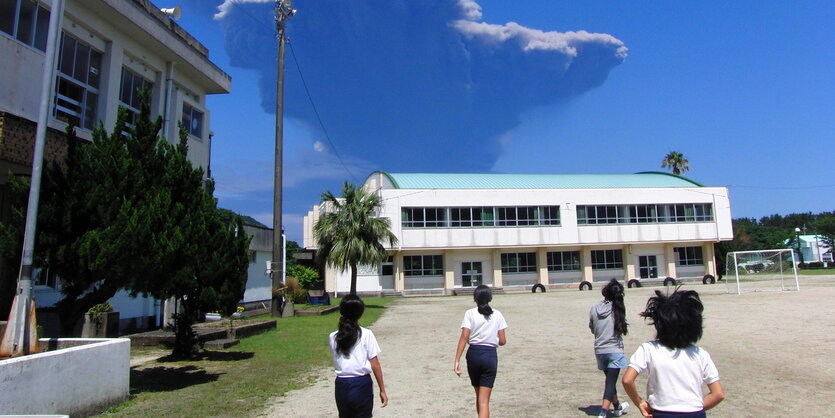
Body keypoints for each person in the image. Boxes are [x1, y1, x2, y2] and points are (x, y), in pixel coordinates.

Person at [622, 289, 725, 418]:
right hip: (695, 413)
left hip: (661, 413)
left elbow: (627, 380)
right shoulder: (700, 354)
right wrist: (692, 407)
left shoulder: (648, 349)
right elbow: (718, 394)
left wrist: (640, 402)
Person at [329, 294, 388, 417]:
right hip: (361, 384)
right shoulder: (366, 334)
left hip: (342, 385)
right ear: (360, 313)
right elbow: (375, 364)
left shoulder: (333, 337)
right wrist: (382, 390)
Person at [454, 285, 508, 418]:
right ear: (490, 298)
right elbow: (502, 340)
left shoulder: (470, 314)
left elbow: (464, 336)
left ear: (475, 299)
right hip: (489, 355)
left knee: (479, 396)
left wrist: (457, 360)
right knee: (484, 401)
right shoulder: (497, 314)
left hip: (474, 354)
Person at [590, 279, 630, 417]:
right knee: (610, 383)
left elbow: (592, 328)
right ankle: (603, 412)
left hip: (600, 350)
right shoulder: (618, 308)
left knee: (610, 382)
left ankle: (618, 407)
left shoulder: (595, 308)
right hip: (614, 350)